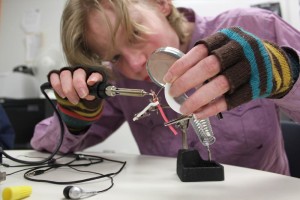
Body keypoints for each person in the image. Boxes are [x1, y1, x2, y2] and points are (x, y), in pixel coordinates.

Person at [31, 0, 300, 176]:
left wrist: (286, 74)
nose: (135, 64)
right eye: (114, 57)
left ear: (161, 4)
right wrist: (74, 116)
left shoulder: (255, 26)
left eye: (135, 34)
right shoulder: (117, 82)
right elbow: (43, 148)